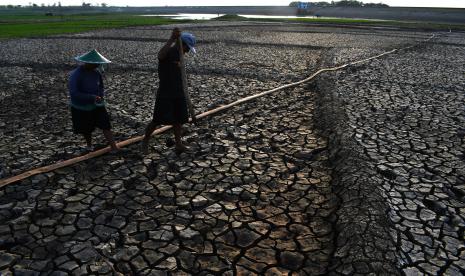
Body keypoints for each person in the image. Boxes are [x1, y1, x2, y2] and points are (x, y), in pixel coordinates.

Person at [141, 28, 196, 154]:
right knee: (157, 119)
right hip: (166, 92)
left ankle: (178, 144)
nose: (188, 51)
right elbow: (160, 56)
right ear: (182, 44)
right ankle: (145, 141)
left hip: (179, 91)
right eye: (187, 48)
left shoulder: (181, 55)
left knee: (179, 120)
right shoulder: (170, 51)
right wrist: (172, 39)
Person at [68, 49, 119, 152]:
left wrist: (100, 96)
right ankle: (89, 145)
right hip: (81, 106)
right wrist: (91, 97)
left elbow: (100, 86)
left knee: (105, 124)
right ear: (87, 63)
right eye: (95, 64)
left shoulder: (96, 72)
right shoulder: (76, 75)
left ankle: (114, 147)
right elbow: (74, 93)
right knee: (86, 129)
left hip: (97, 104)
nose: (97, 65)